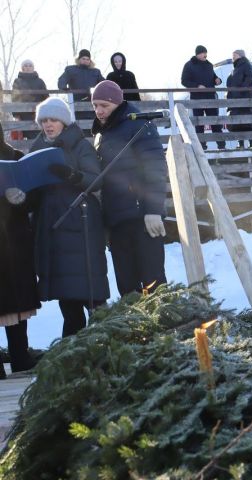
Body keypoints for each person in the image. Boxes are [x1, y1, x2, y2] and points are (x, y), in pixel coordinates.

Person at [25, 98, 110, 337]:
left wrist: (71, 175)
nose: (48, 125)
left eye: (53, 120)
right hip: (52, 227)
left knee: (92, 294)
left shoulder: (80, 146)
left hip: (80, 222)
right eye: (44, 121)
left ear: (63, 121)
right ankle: (73, 345)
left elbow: (96, 179)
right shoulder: (38, 147)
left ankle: (105, 341)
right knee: (67, 296)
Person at [91, 80, 168, 296]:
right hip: (117, 220)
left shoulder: (139, 124)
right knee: (127, 287)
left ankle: (164, 328)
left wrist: (153, 210)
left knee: (153, 284)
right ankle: (135, 330)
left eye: (103, 105)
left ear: (117, 103)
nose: (98, 111)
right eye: (95, 105)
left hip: (142, 217)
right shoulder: (102, 133)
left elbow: (155, 167)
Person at [1, 122, 40, 378]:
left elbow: (34, 198)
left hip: (14, 240)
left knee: (16, 302)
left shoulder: (16, 158)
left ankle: (20, 356)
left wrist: (21, 197)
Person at [181, 45, 225, 150]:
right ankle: (201, 147)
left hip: (211, 98)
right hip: (197, 98)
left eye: (206, 53)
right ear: (198, 54)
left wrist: (218, 80)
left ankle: (221, 145)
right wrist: (197, 86)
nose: (205, 55)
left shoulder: (209, 65)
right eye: (203, 53)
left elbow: (213, 77)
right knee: (198, 123)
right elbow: (184, 81)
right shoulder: (189, 65)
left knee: (215, 122)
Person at [57, 49, 104, 122]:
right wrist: (63, 87)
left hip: (91, 103)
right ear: (79, 59)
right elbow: (62, 80)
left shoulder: (95, 72)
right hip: (76, 102)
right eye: (83, 58)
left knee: (92, 123)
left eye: (88, 59)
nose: (85, 61)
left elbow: (104, 83)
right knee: (78, 123)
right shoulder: (71, 70)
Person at [11, 59, 49, 140]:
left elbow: (46, 97)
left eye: (30, 65)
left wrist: (46, 113)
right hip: (23, 115)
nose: (28, 67)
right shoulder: (17, 81)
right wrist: (16, 115)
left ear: (33, 68)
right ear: (22, 68)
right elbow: (14, 98)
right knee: (21, 141)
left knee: (38, 138)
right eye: (26, 65)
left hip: (38, 114)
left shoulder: (40, 81)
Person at [226, 49, 252, 146]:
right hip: (235, 101)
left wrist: (241, 90)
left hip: (245, 98)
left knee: (248, 122)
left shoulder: (246, 65)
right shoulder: (234, 69)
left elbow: (250, 78)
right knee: (237, 123)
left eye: (235, 55)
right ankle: (240, 143)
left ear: (240, 56)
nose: (233, 57)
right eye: (232, 55)